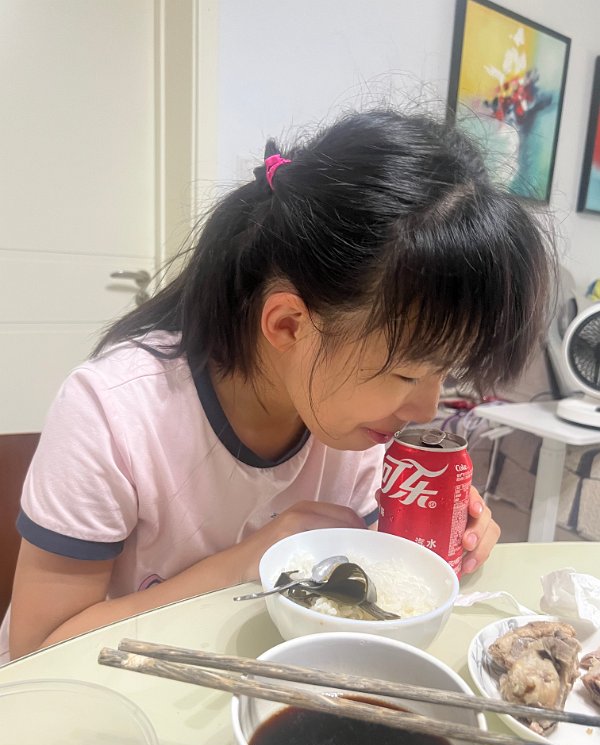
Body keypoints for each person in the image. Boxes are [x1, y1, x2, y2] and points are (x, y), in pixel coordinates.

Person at [2, 108, 554, 662]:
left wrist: (433, 540)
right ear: (289, 325)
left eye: (446, 373)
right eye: (408, 373)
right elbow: (37, 648)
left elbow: (350, 582)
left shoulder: (354, 424)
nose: (426, 407)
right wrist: (245, 562)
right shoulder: (113, 413)